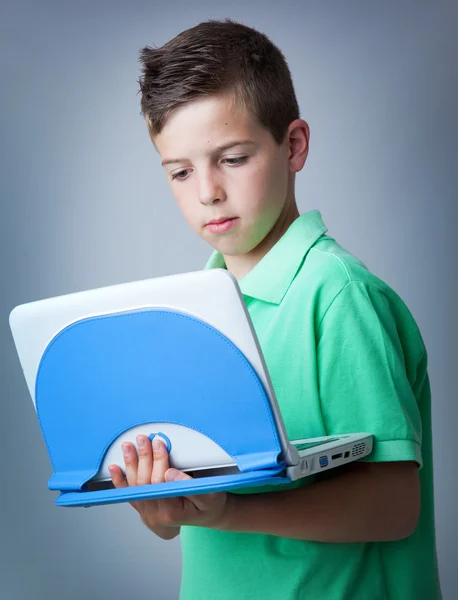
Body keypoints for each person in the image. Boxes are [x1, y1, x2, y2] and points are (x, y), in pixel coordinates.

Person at [108, 18, 441, 600]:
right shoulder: (196, 315)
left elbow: (395, 506)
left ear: (294, 146)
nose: (207, 190)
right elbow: (187, 515)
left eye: (232, 159)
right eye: (181, 172)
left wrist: (225, 512)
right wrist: (161, 507)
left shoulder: (337, 295)